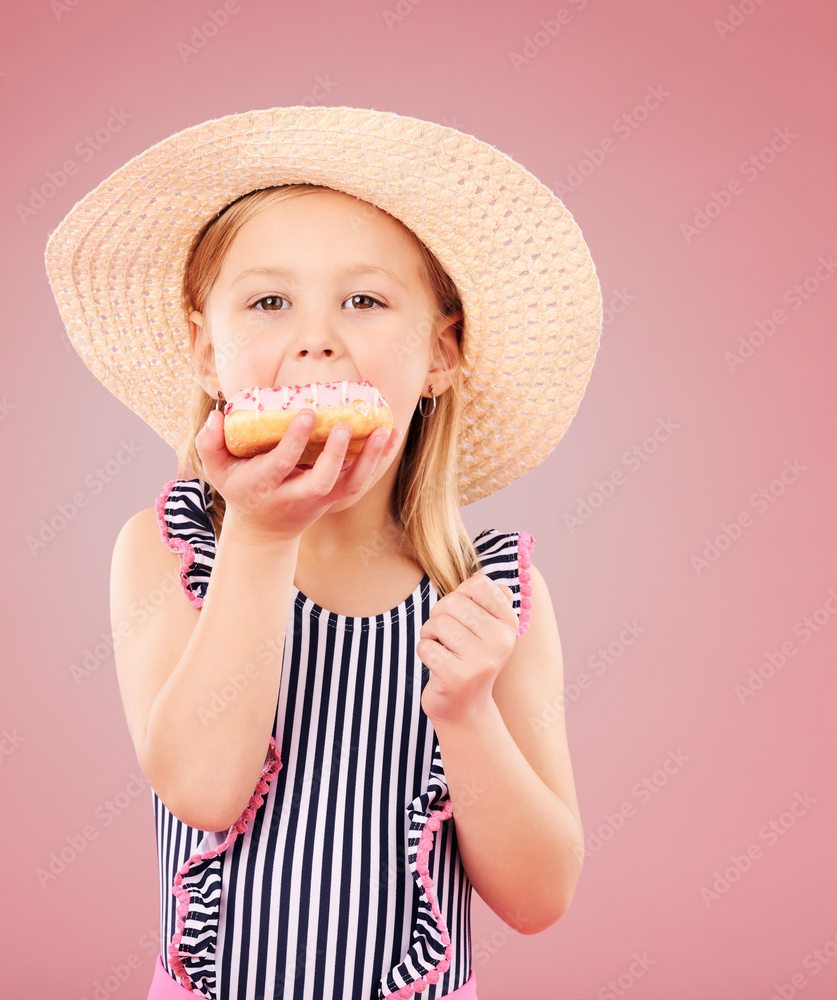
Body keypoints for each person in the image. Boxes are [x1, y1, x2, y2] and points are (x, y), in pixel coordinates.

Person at [45, 106, 603, 1000]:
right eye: (270, 301)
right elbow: (201, 788)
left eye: (366, 300)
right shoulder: (169, 550)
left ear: (442, 353)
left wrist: (467, 715)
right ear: (204, 351)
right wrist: (262, 535)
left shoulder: (494, 595)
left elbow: (540, 896)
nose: (316, 337)